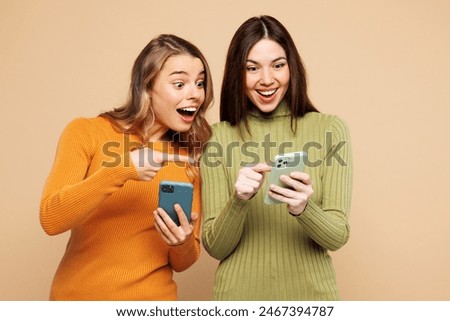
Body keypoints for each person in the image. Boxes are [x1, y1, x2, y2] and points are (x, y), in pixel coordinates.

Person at [40, 34, 213, 300]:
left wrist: (182, 242)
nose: (195, 94)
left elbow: (183, 261)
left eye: (199, 83)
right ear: (147, 86)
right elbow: (52, 218)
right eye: (180, 84)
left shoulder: (187, 159)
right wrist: (123, 168)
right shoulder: (88, 132)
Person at [200, 15, 353, 300]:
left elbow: (337, 236)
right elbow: (215, 247)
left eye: (278, 65)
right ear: (237, 73)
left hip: (312, 300)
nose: (267, 80)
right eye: (252, 68)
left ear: (291, 67)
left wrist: (304, 208)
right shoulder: (216, 138)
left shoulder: (330, 129)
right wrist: (239, 201)